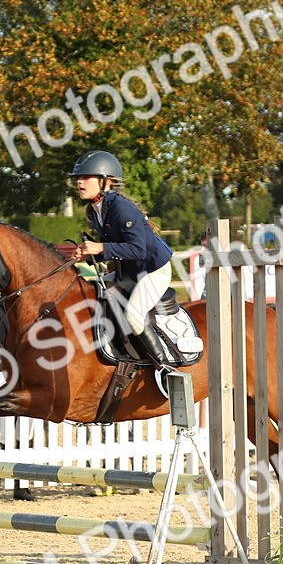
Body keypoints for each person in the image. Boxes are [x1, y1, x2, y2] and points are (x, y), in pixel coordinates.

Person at [68, 150, 174, 393]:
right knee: (92, 292)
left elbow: (137, 249)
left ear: (105, 181)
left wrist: (100, 247)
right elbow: (115, 248)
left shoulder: (121, 208)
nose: (79, 182)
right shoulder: (95, 209)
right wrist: (90, 254)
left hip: (153, 270)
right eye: (78, 178)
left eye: (86, 177)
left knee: (134, 315)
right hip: (129, 271)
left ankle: (165, 368)